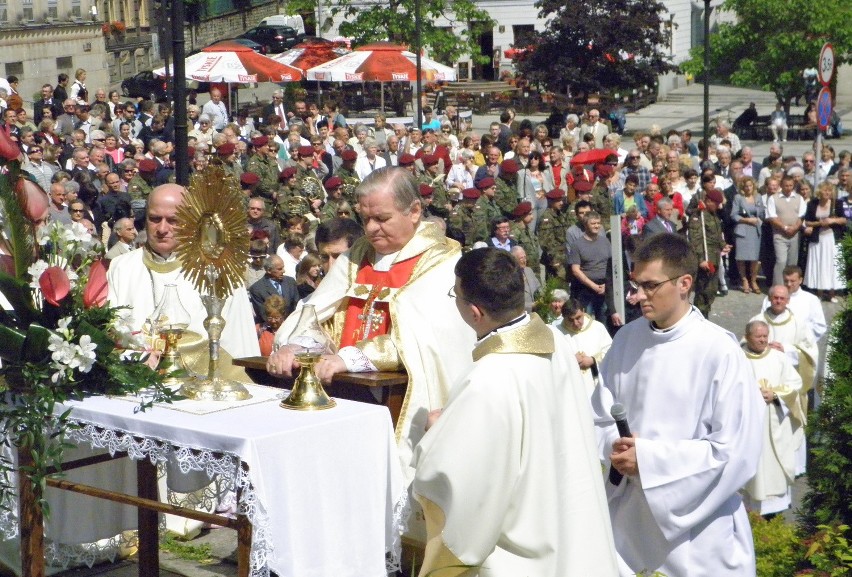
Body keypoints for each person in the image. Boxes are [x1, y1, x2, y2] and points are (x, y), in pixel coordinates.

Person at [412, 248, 618, 577]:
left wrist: (439, 433)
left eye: (456, 294)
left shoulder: (487, 378)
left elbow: (457, 483)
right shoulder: (555, 340)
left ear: (475, 312)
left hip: (520, 554)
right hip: (570, 526)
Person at [266, 167, 474, 488]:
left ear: (415, 211)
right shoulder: (357, 255)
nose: (372, 229)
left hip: (400, 397)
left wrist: (348, 359)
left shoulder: (442, 263)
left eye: (382, 218)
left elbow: (419, 339)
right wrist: (299, 346)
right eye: (366, 218)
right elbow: (319, 312)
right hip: (343, 392)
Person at [592, 232, 763, 577]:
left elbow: (735, 452)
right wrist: (617, 448)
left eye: (650, 285)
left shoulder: (719, 351)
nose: (638, 295)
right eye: (636, 284)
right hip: (629, 522)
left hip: (699, 536)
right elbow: (598, 416)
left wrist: (649, 459)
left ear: (684, 283)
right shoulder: (626, 339)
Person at [106, 183, 259, 537]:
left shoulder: (219, 269)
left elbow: (237, 346)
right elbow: (110, 330)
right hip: (136, 396)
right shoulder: (122, 268)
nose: (161, 228)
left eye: (172, 220)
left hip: (195, 399)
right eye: (154, 219)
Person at [741, 320, 804, 516]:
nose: (762, 340)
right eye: (758, 337)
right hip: (749, 424)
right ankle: (748, 506)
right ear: (748, 337)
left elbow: (795, 383)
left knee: (773, 465)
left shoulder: (779, 358)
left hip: (776, 421)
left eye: (765, 336)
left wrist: (775, 395)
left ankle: (773, 510)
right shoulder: (738, 358)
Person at [551, 297, 612, 395]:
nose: (575, 323)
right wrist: (570, 360)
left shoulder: (597, 328)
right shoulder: (557, 332)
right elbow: (553, 359)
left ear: (583, 311)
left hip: (596, 383)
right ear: (563, 316)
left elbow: (611, 352)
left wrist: (593, 360)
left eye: (578, 317)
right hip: (571, 387)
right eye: (570, 320)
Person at [687, 188, 729, 317]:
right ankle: (699, 317)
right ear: (709, 201)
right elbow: (696, 240)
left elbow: (715, 235)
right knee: (703, 292)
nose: (718, 206)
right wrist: (700, 260)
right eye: (716, 203)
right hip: (705, 258)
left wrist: (723, 245)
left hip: (714, 257)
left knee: (711, 290)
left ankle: (705, 314)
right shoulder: (699, 216)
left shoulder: (713, 215)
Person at [803, 182, 846, 302]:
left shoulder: (837, 203)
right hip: (818, 239)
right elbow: (807, 222)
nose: (827, 193)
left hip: (832, 239)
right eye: (825, 190)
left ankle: (832, 293)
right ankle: (820, 292)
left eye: (829, 191)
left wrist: (831, 221)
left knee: (832, 264)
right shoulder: (812, 203)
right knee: (819, 263)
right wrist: (819, 223)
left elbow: (843, 219)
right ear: (819, 192)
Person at [568, 211, 611, 323]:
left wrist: (606, 285)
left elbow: (611, 264)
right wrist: (593, 286)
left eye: (598, 223)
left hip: (604, 286)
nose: (596, 226)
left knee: (604, 320)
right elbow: (575, 270)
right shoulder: (577, 245)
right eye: (593, 223)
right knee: (586, 321)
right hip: (586, 289)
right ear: (585, 225)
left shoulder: (605, 241)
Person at [731, 176, 766, 293]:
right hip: (743, 228)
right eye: (746, 186)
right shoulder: (738, 198)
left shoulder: (758, 197)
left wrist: (758, 216)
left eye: (750, 185)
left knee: (754, 258)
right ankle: (744, 280)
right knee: (741, 257)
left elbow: (762, 212)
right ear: (743, 187)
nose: (748, 188)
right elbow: (734, 215)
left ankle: (753, 280)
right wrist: (746, 220)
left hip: (755, 229)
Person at [248, 255, 299, 323]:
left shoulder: (290, 282)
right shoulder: (257, 289)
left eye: (283, 268)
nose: (283, 271)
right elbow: (263, 315)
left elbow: (296, 304)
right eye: (279, 269)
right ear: (269, 270)